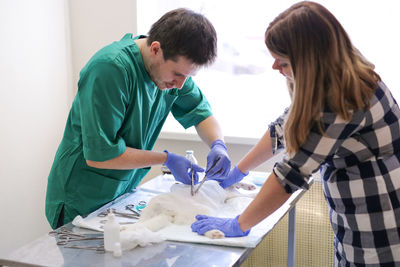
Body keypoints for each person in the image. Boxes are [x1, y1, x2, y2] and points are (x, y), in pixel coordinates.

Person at [191, 1, 400, 265]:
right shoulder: (338, 76)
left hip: (380, 227)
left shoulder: (343, 99)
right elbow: (285, 127)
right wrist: (238, 171)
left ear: (309, 59)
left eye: (283, 60)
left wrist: (239, 223)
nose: (275, 67)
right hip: (357, 220)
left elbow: (290, 175)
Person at [45, 8, 231, 230]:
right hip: (81, 196)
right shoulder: (110, 69)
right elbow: (100, 155)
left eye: (188, 76)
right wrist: (165, 159)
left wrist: (218, 145)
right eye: (178, 74)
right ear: (155, 49)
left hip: (119, 193)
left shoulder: (170, 71)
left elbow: (201, 113)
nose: (181, 84)